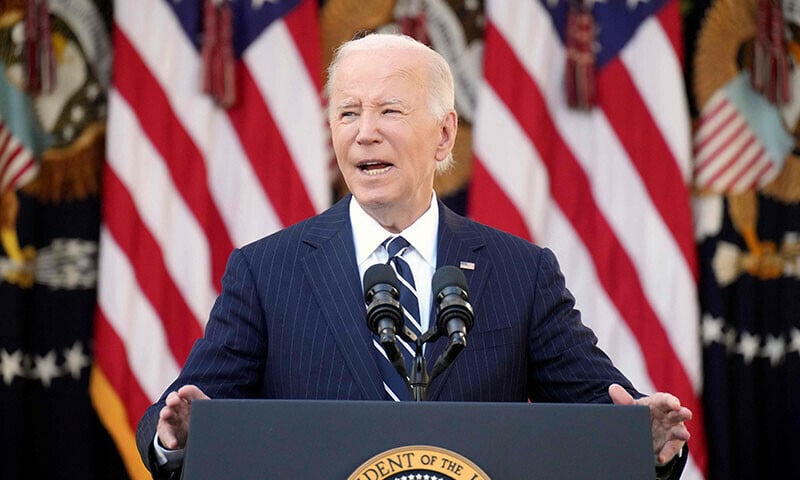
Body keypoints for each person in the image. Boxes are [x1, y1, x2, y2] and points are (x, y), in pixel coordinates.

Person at [136, 33, 692, 479]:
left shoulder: (521, 272)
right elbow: (181, 417)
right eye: (348, 113)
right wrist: (173, 440)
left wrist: (643, 437)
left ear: (445, 135)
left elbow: (602, 409)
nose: (365, 134)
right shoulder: (266, 271)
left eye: (390, 111)